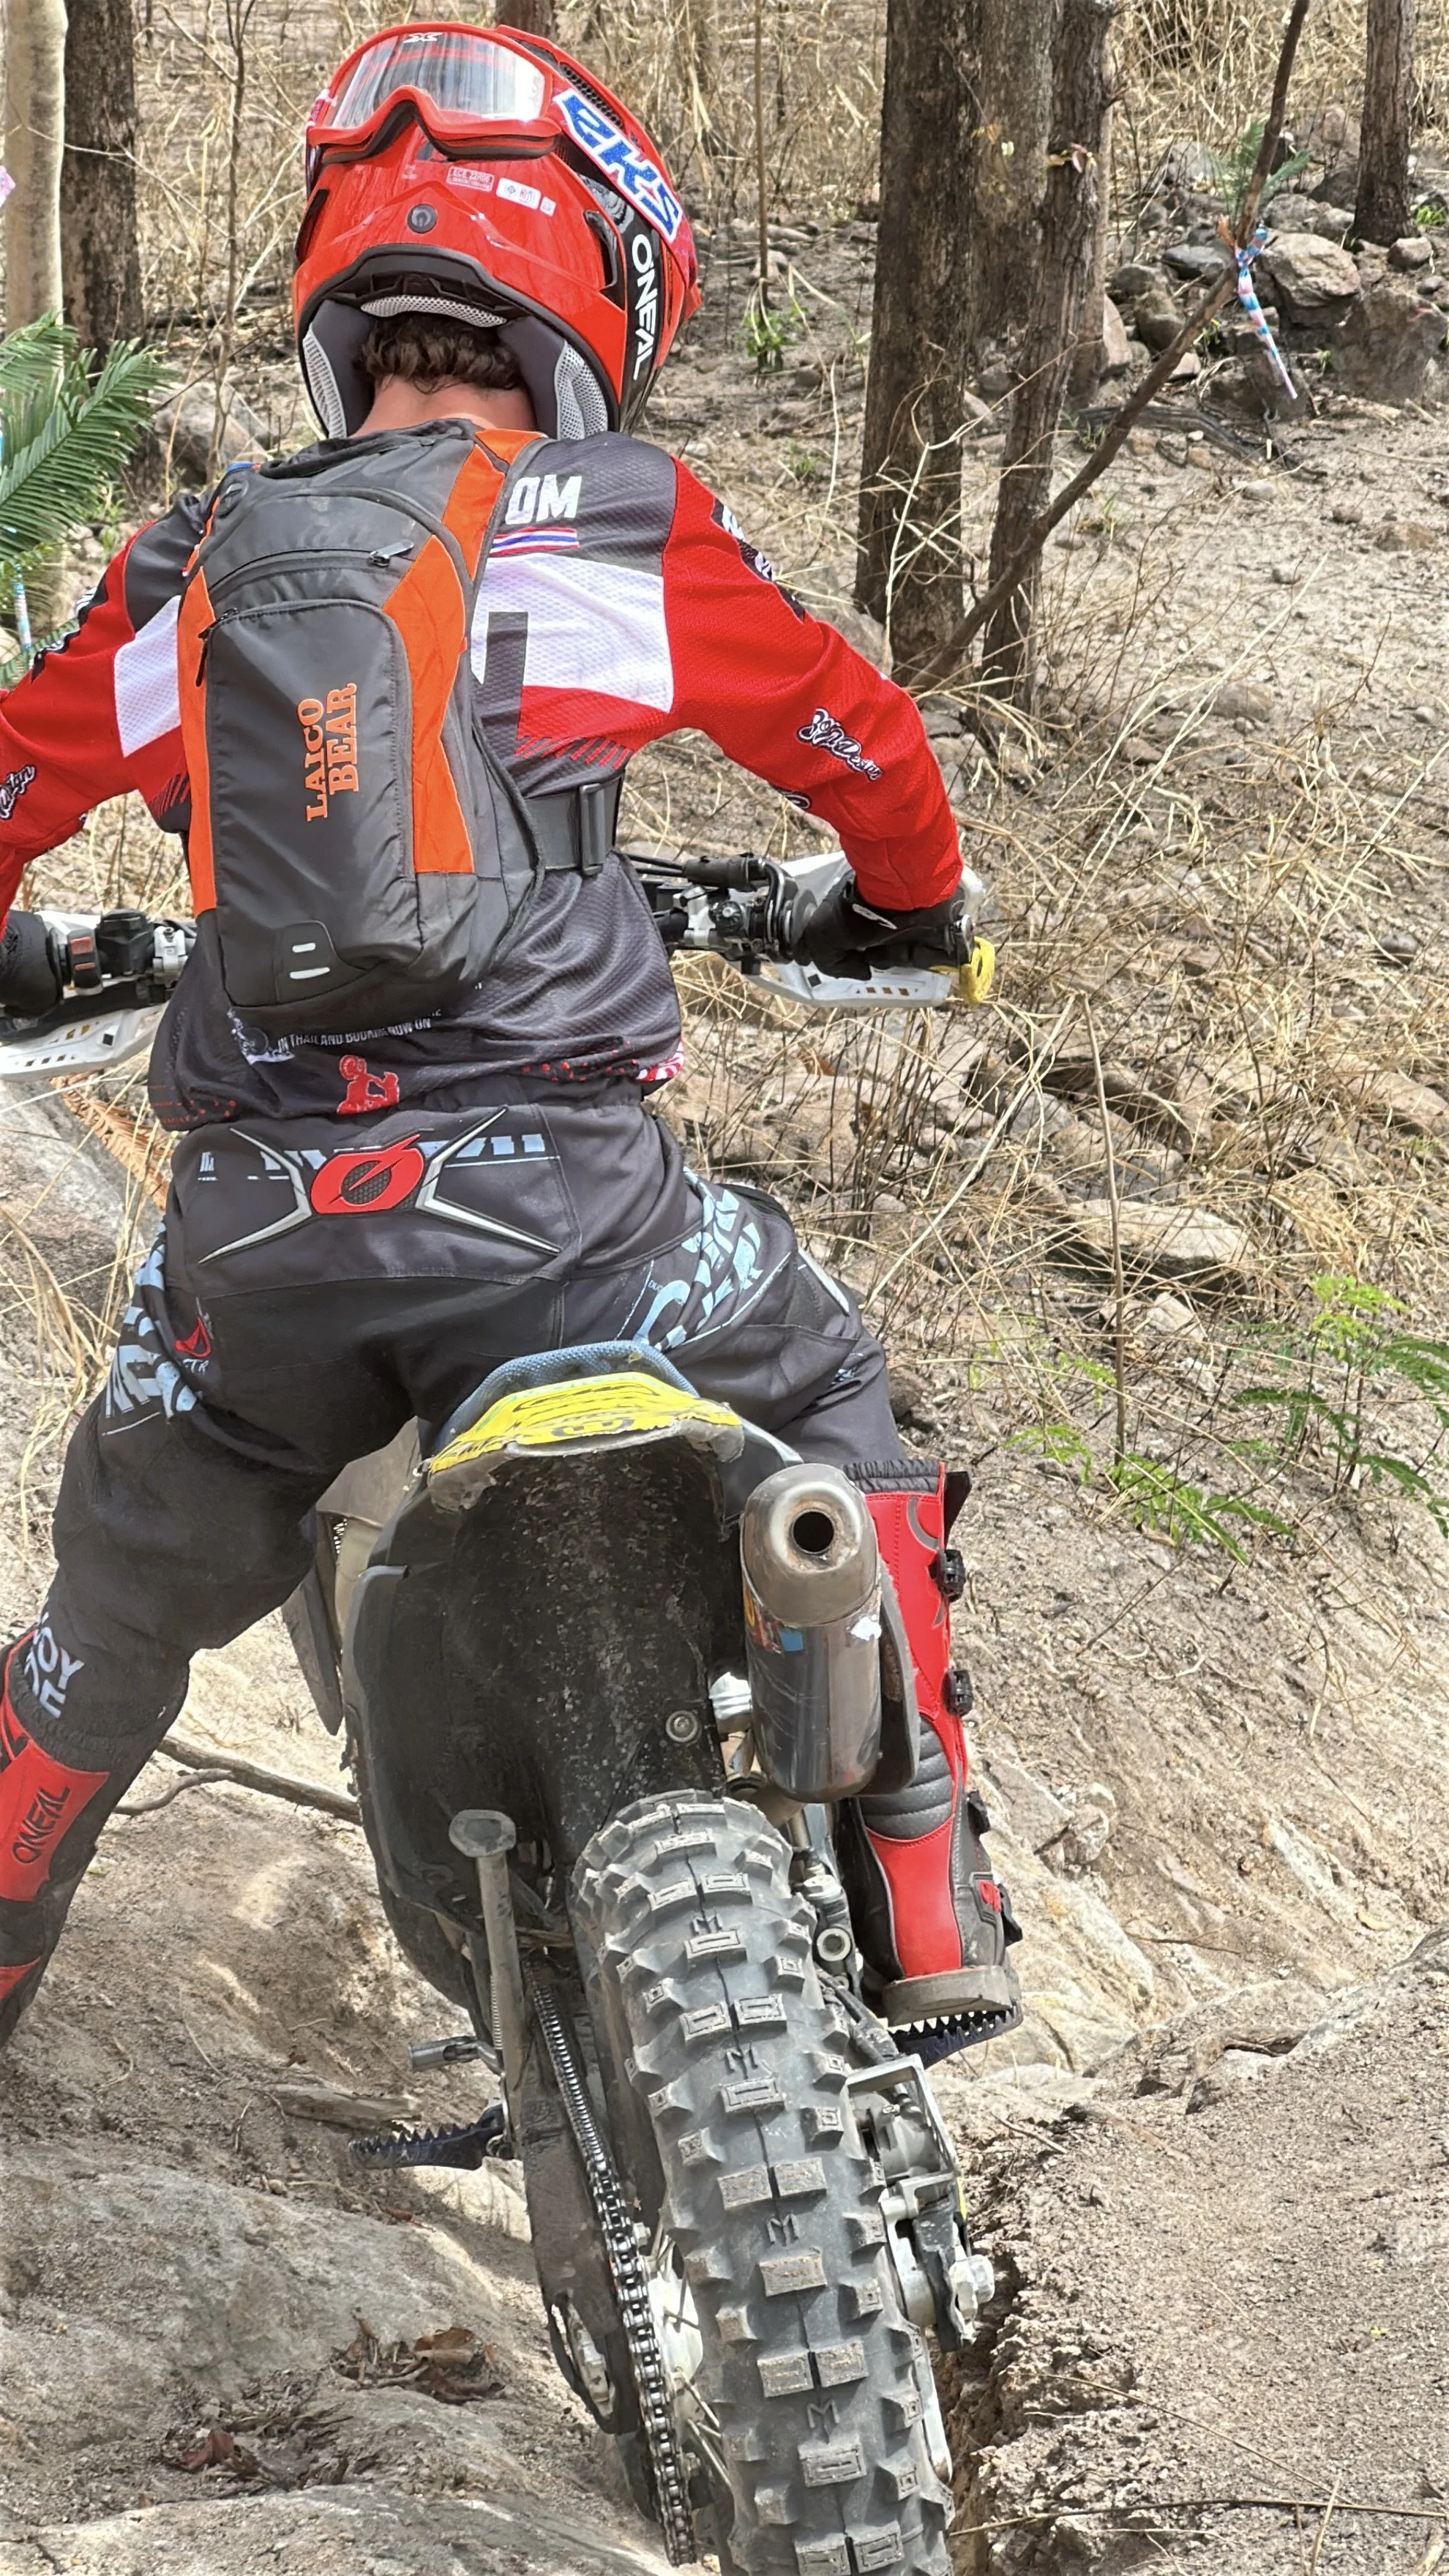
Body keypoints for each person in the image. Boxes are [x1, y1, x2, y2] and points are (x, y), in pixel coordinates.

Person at [0, 23, 1020, 2059]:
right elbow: (866, 751)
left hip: (265, 1255)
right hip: (577, 1223)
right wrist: (906, 906)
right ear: (596, 287)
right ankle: (924, 1891)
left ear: (336, 307)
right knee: (819, 1372)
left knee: (108, 1615)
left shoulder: (195, 568)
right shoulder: (610, 529)